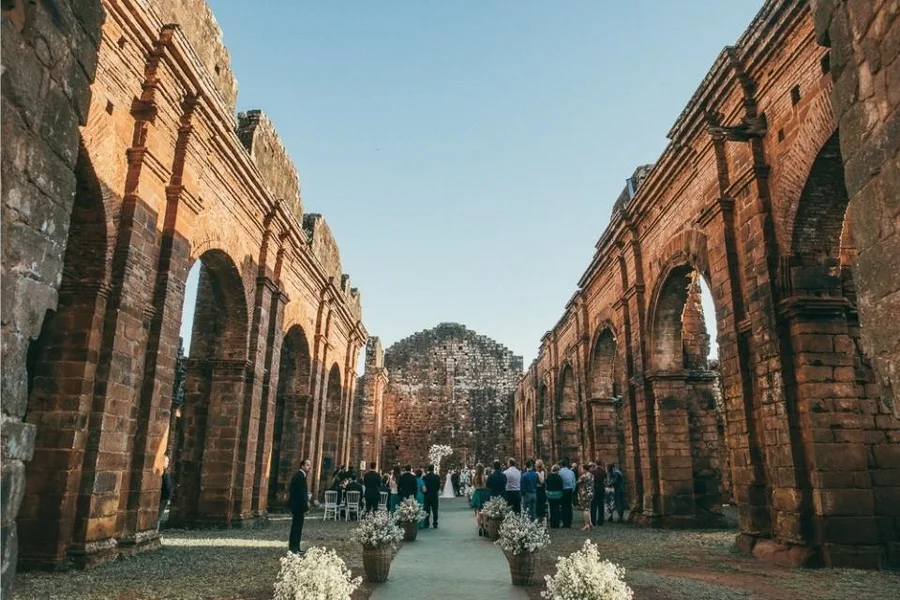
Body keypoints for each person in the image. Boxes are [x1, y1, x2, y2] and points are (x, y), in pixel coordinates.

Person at [288, 458, 311, 554]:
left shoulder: (300, 476)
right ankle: (294, 547)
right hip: (298, 506)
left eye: (309, 465)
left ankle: (296, 547)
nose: (309, 467)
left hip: (297, 506)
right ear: (302, 466)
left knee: (297, 527)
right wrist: (306, 506)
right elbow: (301, 493)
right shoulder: (300, 476)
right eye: (307, 465)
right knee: (297, 527)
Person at [470, 463, 491, 536]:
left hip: (477, 493)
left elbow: (473, 485)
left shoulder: (474, 477)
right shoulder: (485, 477)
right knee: (484, 512)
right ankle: (485, 527)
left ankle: (479, 527)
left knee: (478, 512)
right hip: (484, 493)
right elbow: (487, 484)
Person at [558, 459, 576, 528]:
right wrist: (572, 490)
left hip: (563, 491)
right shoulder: (571, 472)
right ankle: (569, 522)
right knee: (569, 507)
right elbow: (574, 482)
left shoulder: (560, 473)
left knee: (563, 507)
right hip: (570, 490)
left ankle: (565, 522)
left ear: (561, 465)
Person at [422, 464, 441, 528]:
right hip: (434, 495)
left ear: (428, 469)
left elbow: (423, 486)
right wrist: (436, 490)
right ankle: (435, 523)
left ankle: (426, 523)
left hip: (427, 495)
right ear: (433, 469)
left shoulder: (425, 477)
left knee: (427, 510)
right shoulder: (437, 477)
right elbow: (438, 486)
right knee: (435, 510)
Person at [158, 455, 174, 531]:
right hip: (162, 498)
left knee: (161, 516)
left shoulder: (165, 472)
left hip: (165, 498)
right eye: (166, 461)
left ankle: (158, 530)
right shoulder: (162, 473)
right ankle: (156, 531)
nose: (168, 463)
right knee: (158, 517)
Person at [545, 464, 564, 529]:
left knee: (551, 509)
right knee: (557, 509)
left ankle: (552, 524)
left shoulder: (548, 476)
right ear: (557, 470)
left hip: (550, 494)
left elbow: (546, 485)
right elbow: (561, 486)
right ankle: (557, 524)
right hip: (558, 495)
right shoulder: (559, 477)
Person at [578, 463, 595, 531]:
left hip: (585, 493)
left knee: (585, 509)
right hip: (591, 492)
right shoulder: (591, 475)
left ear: (584, 469)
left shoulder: (584, 476)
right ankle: (590, 523)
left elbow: (578, 482)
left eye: (581, 469)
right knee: (588, 508)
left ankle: (586, 524)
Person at [591, 462, 606, 527]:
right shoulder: (603, 471)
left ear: (596, 465)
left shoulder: (593, 471)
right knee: (601, 505)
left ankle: (593, 521)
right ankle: (601, 520)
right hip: (601, 488)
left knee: (593, 505)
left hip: (595, 488)